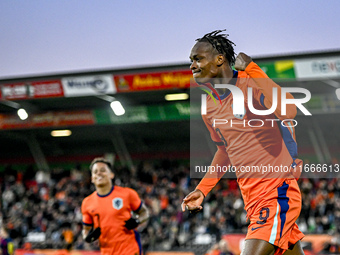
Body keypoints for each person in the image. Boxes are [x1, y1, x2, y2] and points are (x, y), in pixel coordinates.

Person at [182, 30, 305, 255]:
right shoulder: (209, 108)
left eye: (198, 58)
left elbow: (289, 111)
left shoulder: (251, 83)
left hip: (277, 194)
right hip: (253, 201)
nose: (192, 65)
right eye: (191, 61)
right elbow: (224, 150)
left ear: (219, 59)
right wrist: (202, 190)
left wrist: (252, 68)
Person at [81, 157, 149, 255]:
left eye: (103, 170)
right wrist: (87, 237)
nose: (98, 173)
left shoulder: (127, 194)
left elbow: (144, 212)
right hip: (107, 252)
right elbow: (85, 229)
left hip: (130, 250)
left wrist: (137, 221)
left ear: (111, 175)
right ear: (92, 178)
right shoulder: (87, 203)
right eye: (95, 172)